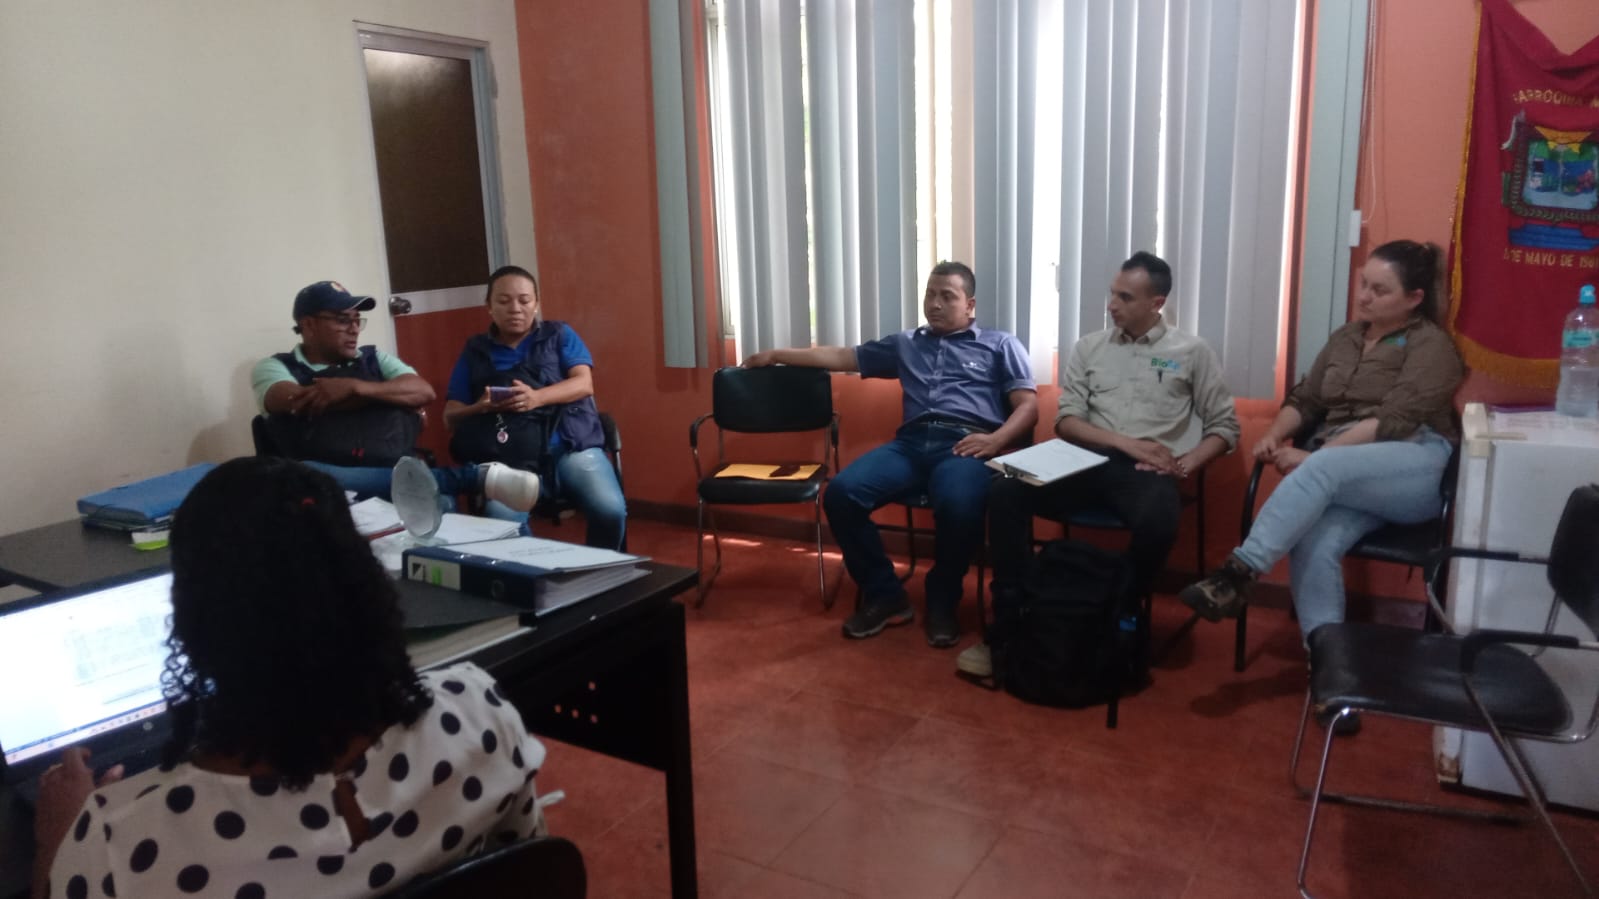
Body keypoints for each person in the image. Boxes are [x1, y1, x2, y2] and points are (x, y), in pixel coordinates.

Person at [33, 457, 547, 899]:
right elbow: (529, 868)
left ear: (195, 624)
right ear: (362, 580)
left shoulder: (122, 844)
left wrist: (59, 837)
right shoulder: (480, 713)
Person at [1178, 239, 1464, 665]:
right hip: (1349, 472)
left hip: (1414, 466)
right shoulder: (1346, 338)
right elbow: (1307, 399)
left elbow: (1395, 420)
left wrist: (1316, 458)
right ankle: (1328, 664)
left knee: (1326, 467)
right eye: (1363, 284)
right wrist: (1275, 434)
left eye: (1380, 290)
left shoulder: (1432, 346)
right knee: (1313, 542)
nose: (1364, 297)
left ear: (1414, 298)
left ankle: (1239, 573)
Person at [962, 251, 1239, 678]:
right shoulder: (1089, 348)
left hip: (1145, 472)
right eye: (1112, 294)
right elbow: (1067, 421)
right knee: (1005, 489)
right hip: (1083, 460)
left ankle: (1115, 613)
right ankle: (1011, 618)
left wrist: (1185, 465)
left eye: (1125, 297)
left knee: (1160, 520)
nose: (1112, 305)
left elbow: (1225, 427)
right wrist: (1126, 443)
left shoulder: (1191, 352)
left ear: (1157, 303)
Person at [743, 261, 1038, 647]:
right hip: (910, 445)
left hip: (965, 443)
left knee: (959, 504)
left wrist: (996, 441)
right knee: (842, 494)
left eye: (947, 296)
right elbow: (844, 357)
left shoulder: (1001, 344)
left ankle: (943, 600)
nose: (934, 304)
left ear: (970, 305)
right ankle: (885, 594)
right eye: (930, 294)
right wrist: (777, 354)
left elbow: (1028, 406)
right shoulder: (906, 343)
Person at [252, 280, 541, 514]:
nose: (354, 329)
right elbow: (297, 400)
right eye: (342, 320)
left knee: (439, 504)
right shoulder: (275, 367)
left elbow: (422, 391)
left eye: (357, 320)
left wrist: (354, 388)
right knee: (308, 472)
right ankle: (472, 478)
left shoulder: (375, 359)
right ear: (308, 325)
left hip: (393, 466)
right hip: (325, 484)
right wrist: (391, 399)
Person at [443, 266, 626, 550]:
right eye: (504, 301)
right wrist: (479, 407)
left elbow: (583, 384)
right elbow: (450, 416)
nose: (515, 309)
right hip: (509, 459)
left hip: (570, 447)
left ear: (536, 304)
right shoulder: (475, 350)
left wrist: (537, 398)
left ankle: (601, 570)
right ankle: (536, 570)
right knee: (503, 521)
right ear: (489, 306)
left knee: (610, 511)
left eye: (524, 300)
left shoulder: (559, 335)